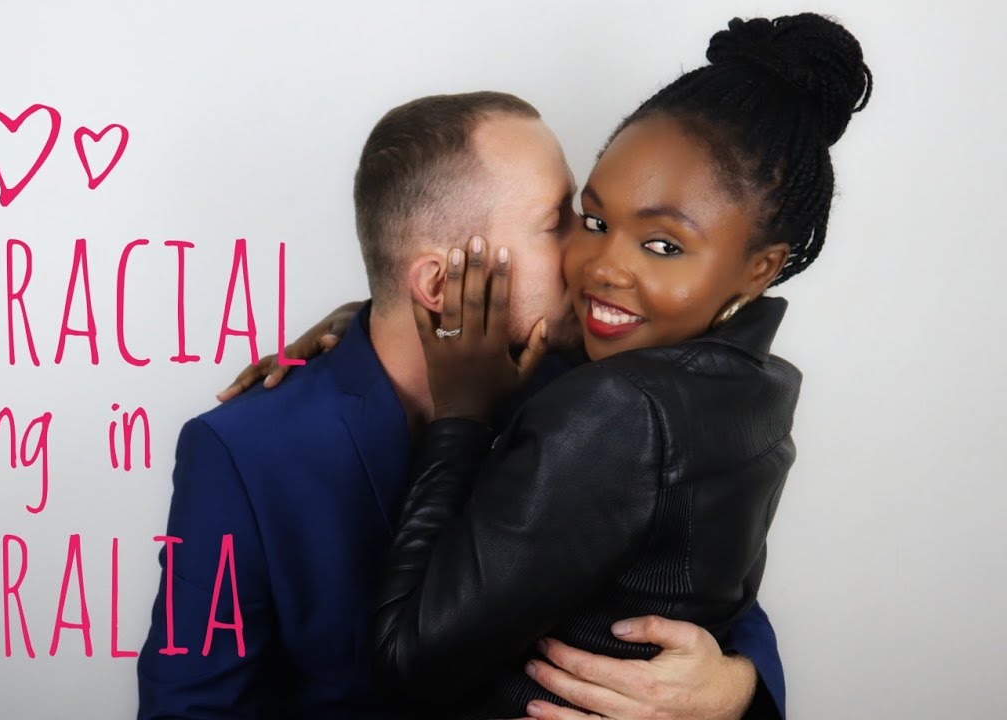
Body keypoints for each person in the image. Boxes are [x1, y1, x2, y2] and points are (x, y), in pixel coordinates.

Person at [138, 91, 783, 719]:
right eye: (557, 223)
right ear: (442, 283)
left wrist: (733, 690)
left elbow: (696, 568)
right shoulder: (242, 454)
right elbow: (191, 707)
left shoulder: (591, 393)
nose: (590, 255)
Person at [366, 13, 871, 720]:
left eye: (664, 246)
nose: (602, 268)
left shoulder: (621, 408)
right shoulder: (760, 389)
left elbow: (404, 659)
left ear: (760, 269)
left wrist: (462, 417)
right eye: (595, 222)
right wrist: (361, 322)